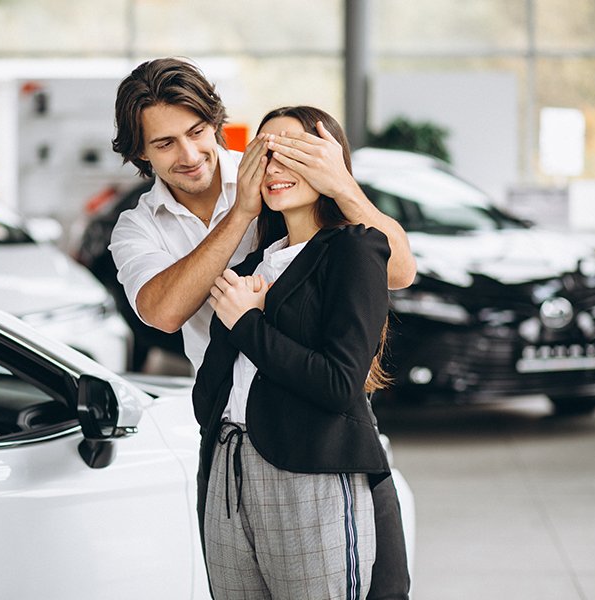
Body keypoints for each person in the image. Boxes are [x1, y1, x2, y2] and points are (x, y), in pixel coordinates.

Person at [109, 58, 412, 600]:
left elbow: (394, 267)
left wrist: (340, 183)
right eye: (164, 143)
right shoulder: (139, 227)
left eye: (198, 132)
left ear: (217, 124)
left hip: (310, 431)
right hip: (227, 442)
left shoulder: (277, 174)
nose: (189, 155)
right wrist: (241, 214)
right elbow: (163, 311)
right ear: (140, 153)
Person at [194, 105, 391, 599]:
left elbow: (339, 384)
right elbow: (210, 389)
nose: (275, 166)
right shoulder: (251, 264)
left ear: (329, 161)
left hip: (310, 470)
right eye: (264, 153)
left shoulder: (355, 249)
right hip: (228, 470)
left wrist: (249, 323)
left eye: (294, 152)